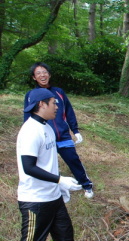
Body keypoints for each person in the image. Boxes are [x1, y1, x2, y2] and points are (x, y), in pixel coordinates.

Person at [17, 88, 83, 241]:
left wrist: (59, 188)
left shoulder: (46, 127)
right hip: (35, 200)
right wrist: (59, 180)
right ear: (41, 105)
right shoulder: (30, 131)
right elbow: (28, 167)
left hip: (53, 197)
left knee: (65, 236)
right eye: (53, 103)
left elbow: (47, 162)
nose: (57, 106)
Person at [25, 62, 94, 199]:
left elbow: (69, 111)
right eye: (38, 73)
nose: (42, 75)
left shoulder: (59, 92)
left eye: (44, 72)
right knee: (45, 165)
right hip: (44, 136)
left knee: (73, 160)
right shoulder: (31, 94)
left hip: (62, 135)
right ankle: (52, 189)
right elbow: (28, 116)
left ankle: (86, 185)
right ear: (34, 77)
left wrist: (75, 130)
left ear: (49, 75)